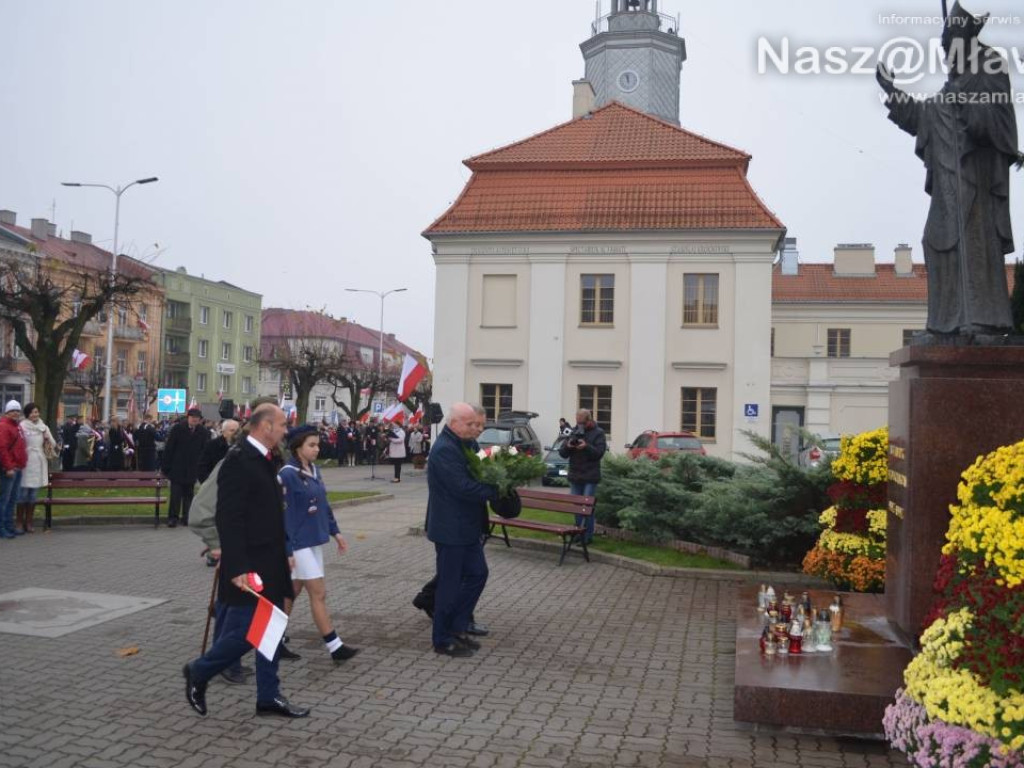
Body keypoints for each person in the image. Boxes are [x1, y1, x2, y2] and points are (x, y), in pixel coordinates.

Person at [876, 4, 1018, 335]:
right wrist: (891, 91)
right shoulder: (952, 87)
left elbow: (994, 125)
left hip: (977, 181)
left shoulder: (989, 68)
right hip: (948, 184)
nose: (944, 54)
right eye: (943, 48)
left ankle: (981, 320)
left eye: (948, 46)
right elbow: (925, 118)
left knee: (974, 245)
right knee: (937, 241)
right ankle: (946, 323)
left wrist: (965, 96)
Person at [182, 404, 310, 719]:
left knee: (272, 629)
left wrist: (286, 553)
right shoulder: (238, 461)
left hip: (270, 558)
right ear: (265, 426)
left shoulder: (266, 458)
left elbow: (268, 513)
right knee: (248, 633)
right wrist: (237, 567)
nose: (285, 431)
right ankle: (199, 670)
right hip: (250, 565)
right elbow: (230, 518)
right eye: (282, 425)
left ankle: (268, 696)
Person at [279, 425, 360, 664]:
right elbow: (282, 515)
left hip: (313, 540)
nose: (317, 449)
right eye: (311, 445)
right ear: (297, 448)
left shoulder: (314, 469)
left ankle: (274, 638)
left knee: (291, 592)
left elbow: (323, 504)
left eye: (317, 444)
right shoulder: (287, 474)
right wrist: (287, 549)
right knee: (319, 593)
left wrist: (336, 532)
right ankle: (335, 646)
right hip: (297, 543)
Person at [425, 402, 498, 658]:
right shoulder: (445, 450)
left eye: (479, 425)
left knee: (478, 574)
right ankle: (442, 639)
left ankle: (458, 626)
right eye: (471, 424)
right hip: (450, 528)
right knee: (449, 585)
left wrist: (503, 469)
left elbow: (483, 469)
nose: (476, 429)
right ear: (454, 423)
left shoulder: (467, 444)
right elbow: (463, 487)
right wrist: (495, 490)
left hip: (466, 526)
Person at [558, 409, 607, 544]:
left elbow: (599, 453)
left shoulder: (598, 433)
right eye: (578, 422)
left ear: (589, 421)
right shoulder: (573, 432)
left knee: (587, 507)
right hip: (575, 476)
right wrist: (568, 446)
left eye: (582, 423)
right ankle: (579, 533)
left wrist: (586, 447)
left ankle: (587, 536)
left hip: (590, 477)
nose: (580, 425)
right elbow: (562, 453)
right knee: (577, 507)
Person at [161, 407, 210, 528]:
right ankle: (173, 518)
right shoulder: (178, 429)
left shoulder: (203, 432)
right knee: (175, 495)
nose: (195, 420)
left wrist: (202, 467)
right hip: (177, 467)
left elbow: (205, 451)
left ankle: (186, 518)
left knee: (189, 495)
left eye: (197, 418)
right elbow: (169, 448)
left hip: (192, 468)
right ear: (188, 418)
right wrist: (166, 467)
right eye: (193, 418)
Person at [17, 403, 55, 534]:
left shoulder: (43, 427)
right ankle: (19, 522)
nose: (35, 414)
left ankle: (29, 522)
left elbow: (53, 444)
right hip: (25, 462)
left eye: (37, 412)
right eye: (33, 412)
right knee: (22, 494)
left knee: (33, 495)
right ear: (27, 414)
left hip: (38, 462)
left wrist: (47, 439)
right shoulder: (21, 426)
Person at [0, 401, 26, 539]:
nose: (16, 413)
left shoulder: (17, 427)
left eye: (17, 410)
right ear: (7, 412)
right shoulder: (4, 426)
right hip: (9, 469)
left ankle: (9, 526)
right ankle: (2, 527)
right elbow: (2, 449)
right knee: (5, 499)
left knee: (12, 500)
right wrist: (8, 467)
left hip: (17, 467)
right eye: (12, 411)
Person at [197, 419, 240, 483]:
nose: (235, 434)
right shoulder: (212, 445)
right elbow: (202, 467)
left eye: (237, 431)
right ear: (223, 432)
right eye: (232, 430)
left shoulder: (242, 447)